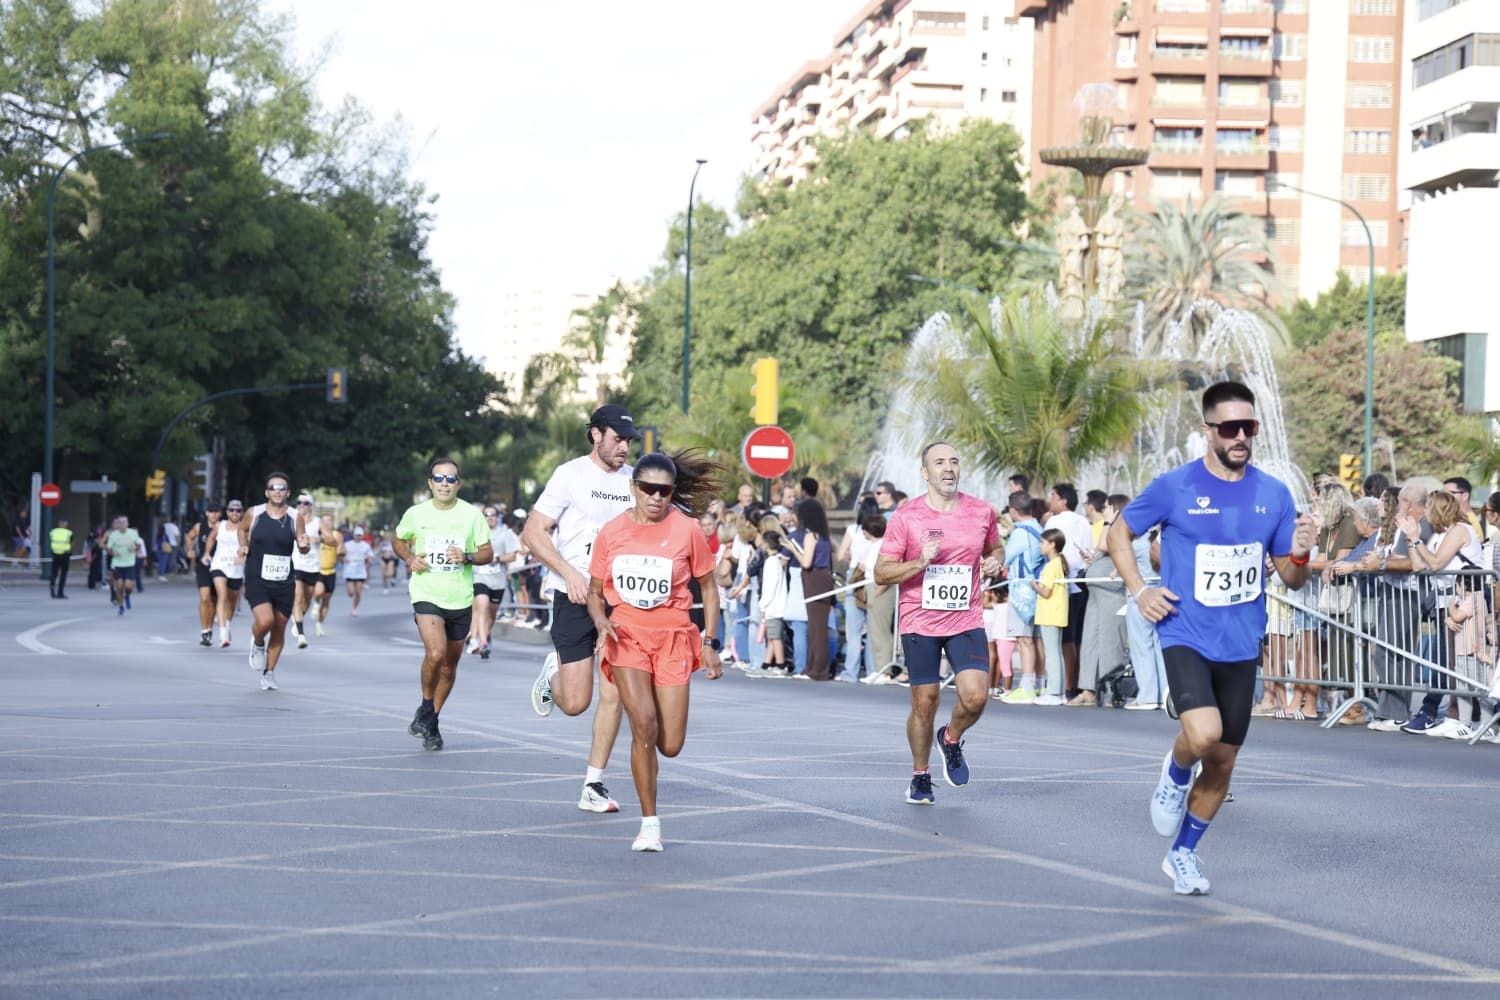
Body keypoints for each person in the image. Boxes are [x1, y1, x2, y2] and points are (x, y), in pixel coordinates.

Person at [1107, 381, 1315, 897]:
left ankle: (1183, 854)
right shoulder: (1175, 486)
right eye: (1230, 428)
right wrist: (1139, 592)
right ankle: (1176, 774)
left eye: (1250, 427)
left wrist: (1304, 553)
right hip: (1185, 631)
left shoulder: (1273, 493)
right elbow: (1117, 534)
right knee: (1201, 736)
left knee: (1222, 761)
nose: (1242, 436)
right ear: (1208, 431)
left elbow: (1290, 577)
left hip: (1242, 642)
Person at [586, 450, 722, 851]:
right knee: (642, 725)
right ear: (634, 488)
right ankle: (650, 825)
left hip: (675, 640)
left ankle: (651, 759)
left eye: (664, 490)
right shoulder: (612, 532)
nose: (656, 497)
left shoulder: (688, 530)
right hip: (626, 638)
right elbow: (595, 593)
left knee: (670, 744)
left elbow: (709, 587)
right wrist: (601, 621)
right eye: (648, 488)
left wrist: (710, 642)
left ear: (672, 492)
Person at [522, 404, 638, 813]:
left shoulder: (634, 481)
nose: (624, 447)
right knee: (575, 703)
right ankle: (553, 668)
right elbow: (533, 533)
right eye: (617, 439)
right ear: (595, 435)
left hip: (617, 600)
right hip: (571, 594)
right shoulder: (569, 475)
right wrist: (569, 571)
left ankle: (594, 784)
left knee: (616, 692)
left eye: (628, 441)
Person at [874, 442, 1003, 806]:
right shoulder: (906, 516)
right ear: (925, 472)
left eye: (954, 461)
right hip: (919, 619)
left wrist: (994, 561)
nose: (948, 468)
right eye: (939, 462)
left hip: (965, 616)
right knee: (925, 703)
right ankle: (920, 775)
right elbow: (881, 573)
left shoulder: (981, 511)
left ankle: (951, 737)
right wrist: (918, 562)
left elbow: (995, 548)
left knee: (977, 696)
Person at [394, 458, 493, 751]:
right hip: (426, 593)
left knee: (449, 668)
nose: (444, 484)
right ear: (430, 483)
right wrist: (409, 558)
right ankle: (426, 706)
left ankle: (431, 720)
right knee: (435, 653)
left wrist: (467, 556)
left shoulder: (472, 515)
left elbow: (487, 552)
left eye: (451, 479)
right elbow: (399, 540)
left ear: (458, 484)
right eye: (439, 478)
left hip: (460, 598)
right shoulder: (415, 513)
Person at [241, 473, 312, 691]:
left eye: (282, 488)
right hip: (257, 576)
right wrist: (243, 545)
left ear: (288, 493)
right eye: (273, 487)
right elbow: (242, 530)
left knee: (280, 626)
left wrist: (304, 545)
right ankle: (258, 642)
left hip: (284, 579)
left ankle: (269, 673)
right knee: (265, 621)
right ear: (267, 492)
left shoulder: (294, 517)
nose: (277, 491)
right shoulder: (254, 513)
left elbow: (302, 543)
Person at [785, 498, 835, 680]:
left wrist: (793, 548)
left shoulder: (810, 535)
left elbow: (806, 562)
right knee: (818, 625)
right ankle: (814, 666)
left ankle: (817, 669)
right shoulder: (824, 535)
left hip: (813, 578)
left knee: (816, 626)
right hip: (824, 577)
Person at [469, 504, 520, 658]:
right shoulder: (475, 534)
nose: (490, 517)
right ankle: (482, 642)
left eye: (493, 515)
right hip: (480, 576)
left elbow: (513, 556)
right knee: (482, 607)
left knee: (491, 614)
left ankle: (483, 635)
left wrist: (497, 558)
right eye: (486, 514)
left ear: (497, 517)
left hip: (497, 579)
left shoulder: (506, 534)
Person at [1032, 528, 1069, 706]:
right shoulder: (1058, 563)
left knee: (1052, 654)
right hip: (1056, 613)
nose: (1040, 546)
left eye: (1043, 542)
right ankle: (1059, 691)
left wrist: (1035, 585)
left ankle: (1053, 692)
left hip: (1049, 613)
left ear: (1052, 545)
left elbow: (1046, 592)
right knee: (1057, 653)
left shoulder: (1051, 566)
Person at [206, 501, 246, 645]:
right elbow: (211, 539)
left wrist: (242, 555)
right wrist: (206, 553)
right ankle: (223, 633)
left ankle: (227, 623)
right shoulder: (220, 525)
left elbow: (249, 544)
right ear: (227, 512)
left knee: (232, 600)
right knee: (222, 595)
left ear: (242, 512)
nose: (234, 513)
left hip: (236, 568)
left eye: (238, 510)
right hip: (219, 564)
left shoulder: (245, 527)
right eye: (231, 510)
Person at [185, 504, 222, 645]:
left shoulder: (223, 527)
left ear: (220, 513)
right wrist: (190, 549)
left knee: (213, 601)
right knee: (204, 598)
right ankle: (204, 630)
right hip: (204, 565)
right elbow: (189, 537)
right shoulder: (199, 527)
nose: (213, 515)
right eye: (211, 512)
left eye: (216, 512)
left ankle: (209, 629)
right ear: (206, 513)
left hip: (219, 566)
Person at [290, 494, 321, 649]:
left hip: (313, 566)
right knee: (298, 597)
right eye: (299, 502)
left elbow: (331, 539)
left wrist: (318, 539)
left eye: (306, 503)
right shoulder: (291, 518)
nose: (302, 505)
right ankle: (301, 635)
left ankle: (298, 619)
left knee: (307, 599)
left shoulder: (317, 522)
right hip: (296, 564)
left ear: (311, 505)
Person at [105, 515, 143, 615]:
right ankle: (121, 606)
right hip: (117, 564)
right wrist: (112, 553)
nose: (122, 524)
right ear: (118, 524)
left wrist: (134, 549)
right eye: (120, 522)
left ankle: (127, 597)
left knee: (128, 586)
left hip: (129, 563)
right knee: (119, 587)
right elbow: (108, 548)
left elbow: (139, 545)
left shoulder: (133, 533)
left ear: (127, 524)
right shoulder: (114, 535)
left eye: (124, 522)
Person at [312, 513, 344, 633]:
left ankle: (320, 623)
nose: (326, 523)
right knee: (319, 591)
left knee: (326, 600)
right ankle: (315, 603)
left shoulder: (336, 535)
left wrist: (342, 554)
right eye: (324, 521)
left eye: (328, 521)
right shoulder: (316, 535)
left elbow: (341, 549)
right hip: (318, 569)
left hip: (331, 570)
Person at [343, 529, 374, 615]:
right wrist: (343, 559)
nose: (358, 537)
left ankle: (354, 609)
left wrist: (370, 561)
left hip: (360, 572)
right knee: (351, 593)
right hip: (349, 571)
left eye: (360, 535)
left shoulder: (365, 546)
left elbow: (370, 555)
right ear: (354, 535)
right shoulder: (347, 545)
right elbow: (341, 554)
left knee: (358, 593)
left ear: (362, 535)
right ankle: (349, 591)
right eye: (357, 535)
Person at [49, 517, 73, 599]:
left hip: (55, 554)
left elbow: (51, 540)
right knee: (63, 574)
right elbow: (72, 542)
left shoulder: (53, 532)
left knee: (54, 573)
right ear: (66, 524)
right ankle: (60, 592)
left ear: (59, 524)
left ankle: (52, 589)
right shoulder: (69, 533)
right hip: (65, 555)